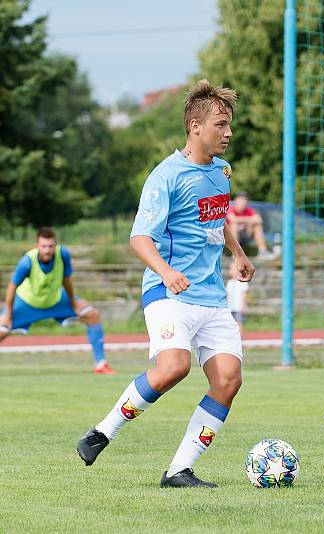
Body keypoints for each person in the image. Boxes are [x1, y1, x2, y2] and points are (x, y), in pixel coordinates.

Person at [76, 79, 255, 488]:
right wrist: (167, 272)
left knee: (228, 380)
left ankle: (179, 470)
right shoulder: (166, 176)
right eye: (220, 125)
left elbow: (218, 217)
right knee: (174, 367)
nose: (228, 133)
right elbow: (140, 238)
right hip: (168, 292)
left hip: (212, 296)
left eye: (229, 126)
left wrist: (239, 253)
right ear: (195, 127)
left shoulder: (222, 172)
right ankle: (102, 432)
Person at [0, 227, 115, 374]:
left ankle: (101, 364)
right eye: (43, 246)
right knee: (2, 329)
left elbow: (66, 280)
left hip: (55, 301)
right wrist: (8, 314)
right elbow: (11, 287)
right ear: (37, 246)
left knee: (91, 315)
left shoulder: (63, 255)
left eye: (50, 246)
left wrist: (73, 302)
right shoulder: (27, 261)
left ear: (55, 245)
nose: (47, 250)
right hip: (27, 303)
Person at [226, 191, 273, 258]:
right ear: (236, 201)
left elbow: (259, 220)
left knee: (257, 226)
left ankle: (263, 252)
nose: (243, 203)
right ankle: (235, 254)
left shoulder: (249, 210)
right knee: (234, 225)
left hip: (247, 234)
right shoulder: (231, 209)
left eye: (244, 201)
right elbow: (232, 219)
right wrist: (249, 220)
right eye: (241, 200)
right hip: (231, 237)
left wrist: (245, 223)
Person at [225, 260, 249, 328]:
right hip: (231, 308)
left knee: (239, 323)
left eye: (233, 269)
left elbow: (244, 295)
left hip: (239, 308)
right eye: (230, 269)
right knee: (231, 324)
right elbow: (228, 295)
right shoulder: (229, 282)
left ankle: (240, 338)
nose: (231, 271)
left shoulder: (242, 282)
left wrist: (242, 306)